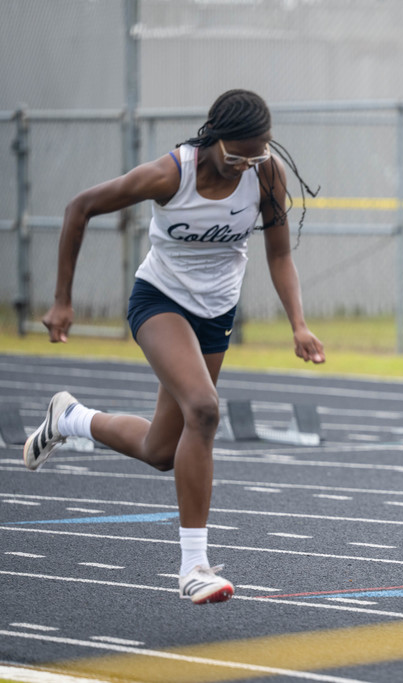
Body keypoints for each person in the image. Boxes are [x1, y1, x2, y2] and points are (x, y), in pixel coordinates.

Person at [23, 89, 326, 604]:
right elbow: (81, 208)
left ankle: (68, 418)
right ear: (212, 139)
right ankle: (193, 567)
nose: (245, 166)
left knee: (161, 450)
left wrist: (298, 323)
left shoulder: (264, 173)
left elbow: (279, 256)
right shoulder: (170, 175)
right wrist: (61, 301)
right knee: (204, 411)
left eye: (257, 155)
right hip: (160, 302)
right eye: (237, 155)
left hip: (215, 315)